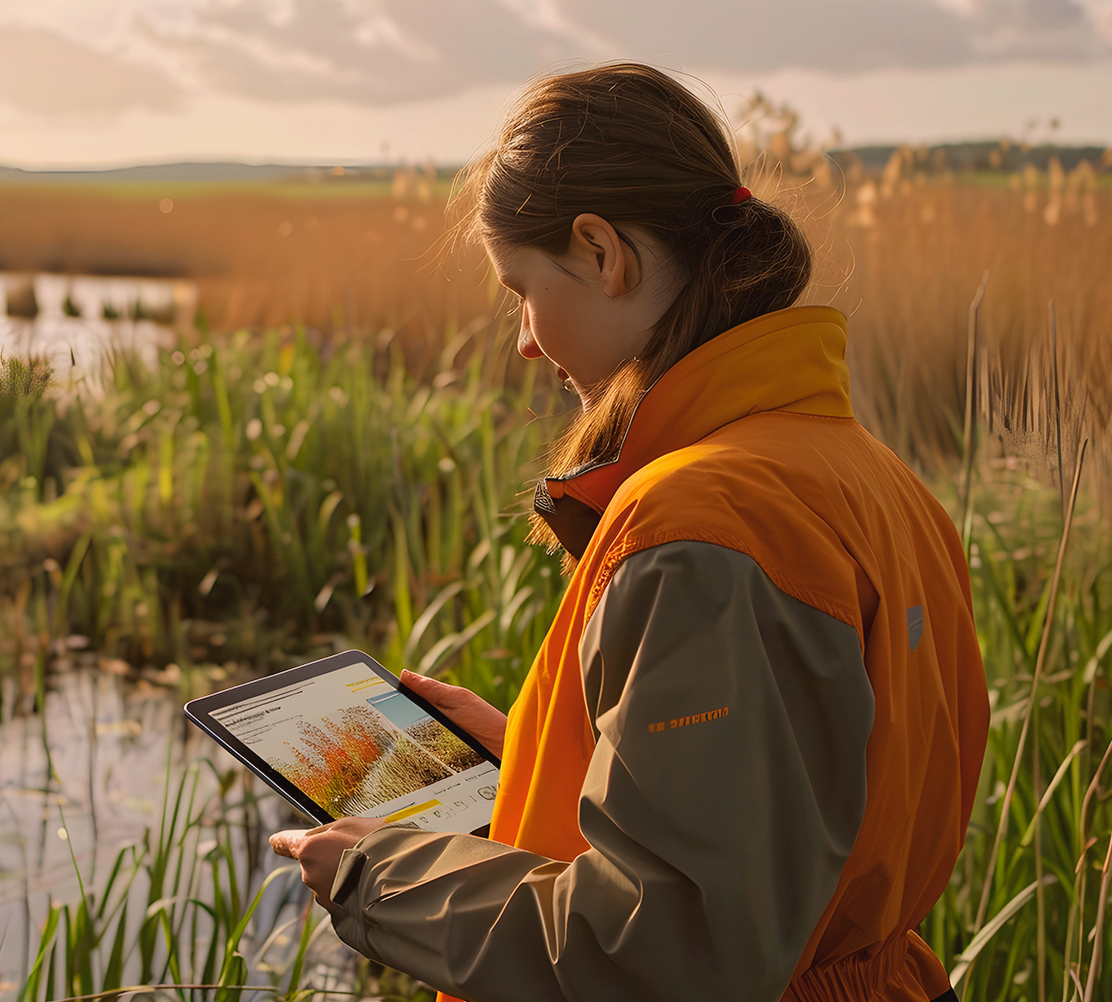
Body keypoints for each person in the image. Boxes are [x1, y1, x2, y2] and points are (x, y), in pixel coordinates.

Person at [270, 62, 988, 1002]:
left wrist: (381, 877)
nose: (525, 339)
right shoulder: (873, 479)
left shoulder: (704, 526)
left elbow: (665, 958)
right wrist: (527, 757)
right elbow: (784, 829)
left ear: (603, 252)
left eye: (520, 288)